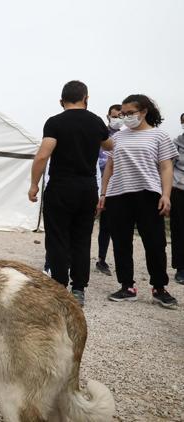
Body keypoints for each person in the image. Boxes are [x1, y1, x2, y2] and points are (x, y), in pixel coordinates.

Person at [28, 81, 113, 307]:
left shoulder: (55, 122)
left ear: (61, 101)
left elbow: (42, 156)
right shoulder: (96, 122)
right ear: (86, 98)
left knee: (57, 237)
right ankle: (78, 290)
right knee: (82, 239)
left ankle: (58, 287)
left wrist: (34, 185)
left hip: (61, 187)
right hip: (87, 188)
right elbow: (109, 146)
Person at [99, 95, 178, 308]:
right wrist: (103, 193)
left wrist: (166, 195)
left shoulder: (159, 136)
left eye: (130, 113)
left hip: (148, 193)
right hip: (118, 194)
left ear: (143, 112)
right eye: (123, 114)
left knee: (155, 243)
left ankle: (159, 288)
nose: (125, 117)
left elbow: (166, 167)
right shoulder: (118, 138)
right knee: (121, 242)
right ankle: (127, 286)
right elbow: (110, 166)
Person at [95, 104, 123, 276]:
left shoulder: (124, 136)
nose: (118, 119)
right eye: (115, 116)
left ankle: (107, 260)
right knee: (97, 225)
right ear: (108, 117)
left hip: (118, 186)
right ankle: (98, 259)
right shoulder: (99, 135)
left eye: (121, 116)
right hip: (99, 184)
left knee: (113, 226)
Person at [172, 112, 184, 284]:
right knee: (179, 229)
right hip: (179, 189)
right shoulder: (176, 143)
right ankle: (180, 268)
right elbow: (168, 167)